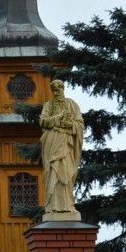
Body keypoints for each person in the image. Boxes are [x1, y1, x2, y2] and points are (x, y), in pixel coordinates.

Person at [39, 79, 83, 219]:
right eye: (55, 89)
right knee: (52, 171)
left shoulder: (72, 105)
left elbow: (80, 124)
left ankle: (68, 205)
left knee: (67, 173)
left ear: (63, 88)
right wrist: (58, 117)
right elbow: (43, 121)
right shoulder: (48, 105)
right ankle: (52, 206)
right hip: (52, 141)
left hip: (67, 142)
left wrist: (70, 123)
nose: (57, 91)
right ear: (52, 91)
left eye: (59, 88)